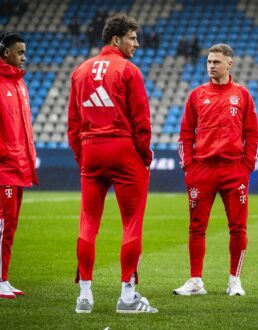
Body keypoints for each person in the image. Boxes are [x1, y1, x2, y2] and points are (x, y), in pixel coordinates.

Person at [67, 14, 157, 314]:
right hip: (123, 149)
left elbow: (73, 123)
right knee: (132, 223)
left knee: (87, 223)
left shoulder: (80, 70)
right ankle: (128, 297)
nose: (137, 44)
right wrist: (144, 156)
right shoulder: (128, 70)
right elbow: (141, 120)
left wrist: (83, 156)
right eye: (133, 38)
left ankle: (84, 297)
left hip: (91, 149)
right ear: (116, 39)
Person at [174, 44, 258, 296]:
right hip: (202, 170)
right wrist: (189, 166)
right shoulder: (197, 95)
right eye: (209, 61)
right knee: (196, 227)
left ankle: (235, 280)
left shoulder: (242, 94)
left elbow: (253, 135)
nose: (212, 65)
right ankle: (195, 280)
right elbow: (185, 133)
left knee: (238, 227)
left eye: (217, 62)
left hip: (234, 170)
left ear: (229, 64)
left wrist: (246, 167)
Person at [0, 32, 38, 299]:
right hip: (4, 166)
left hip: (19, 166)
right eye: (20, 52)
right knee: (2, 225)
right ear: (5, 54)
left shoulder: (19, 85)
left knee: (10, 226)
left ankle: (4, 278)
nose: (24, 57)